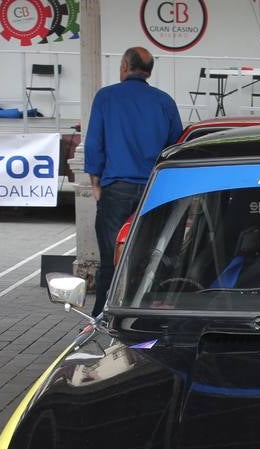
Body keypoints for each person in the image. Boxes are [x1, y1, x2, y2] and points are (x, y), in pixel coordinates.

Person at [84, 47, 183, 316]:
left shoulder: (106, 97)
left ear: (125, 65)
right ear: (148, 71)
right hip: (155, 189)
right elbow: (176, 147)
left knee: (110, 259)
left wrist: (95, 183)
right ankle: (147, 311)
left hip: (117, 189)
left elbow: (95, 143)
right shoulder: (165, 102)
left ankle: (103, 314)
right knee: (156, 254)